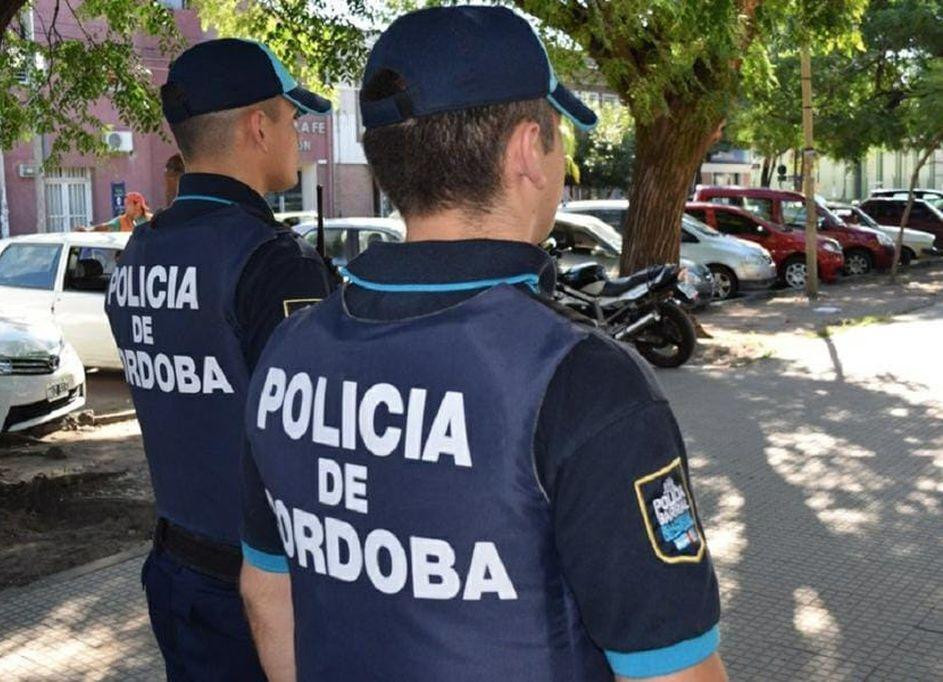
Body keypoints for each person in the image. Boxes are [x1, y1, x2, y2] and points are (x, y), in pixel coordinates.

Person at [240, 6, 725, 682]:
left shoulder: (289, 353)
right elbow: (672, 670)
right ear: (527, 150)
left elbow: (268, 592)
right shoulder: (580, 380)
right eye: (558, 138)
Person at [104, 38, 335, 681]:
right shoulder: (271, 261)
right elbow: (312, 440)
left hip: (175, 571)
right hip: (263, 584)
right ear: (258, 127)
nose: (301, 135)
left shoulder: (139, 255)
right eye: (293, 119)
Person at [80, 191, 152, 232]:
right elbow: (106, 226)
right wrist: (88, 230)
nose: (125, 207)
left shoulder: (151, 220)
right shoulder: (121, 221)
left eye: (127, 204)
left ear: (138, 205)